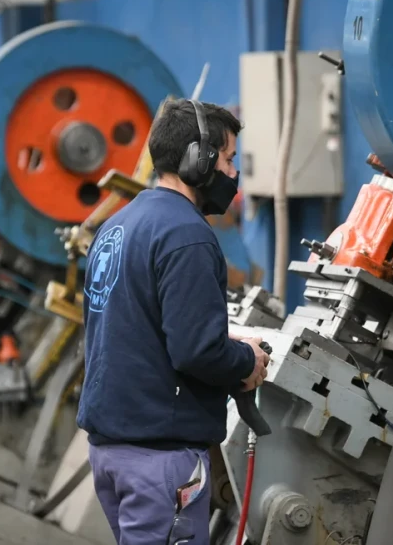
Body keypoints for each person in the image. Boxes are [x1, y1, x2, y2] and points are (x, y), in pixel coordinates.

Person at [77, 99, 270, 544]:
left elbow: (136, 324)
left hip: (112, 453)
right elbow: (195, 351)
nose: (232, 173)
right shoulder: (187, 236)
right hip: (159, 459)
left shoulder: (118, 226)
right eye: (227, 159)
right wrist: (245, 361)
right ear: (197, 161)